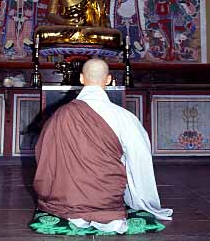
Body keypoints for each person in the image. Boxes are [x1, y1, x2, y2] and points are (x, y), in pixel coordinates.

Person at [31, 58, 172, 235]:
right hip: (107, 202)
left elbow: (43, 155)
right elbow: (140, 161)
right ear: (108, 80)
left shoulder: (60, 115)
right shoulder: (124, 117)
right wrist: (141, 200)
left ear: (81, 79)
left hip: (64, 201)